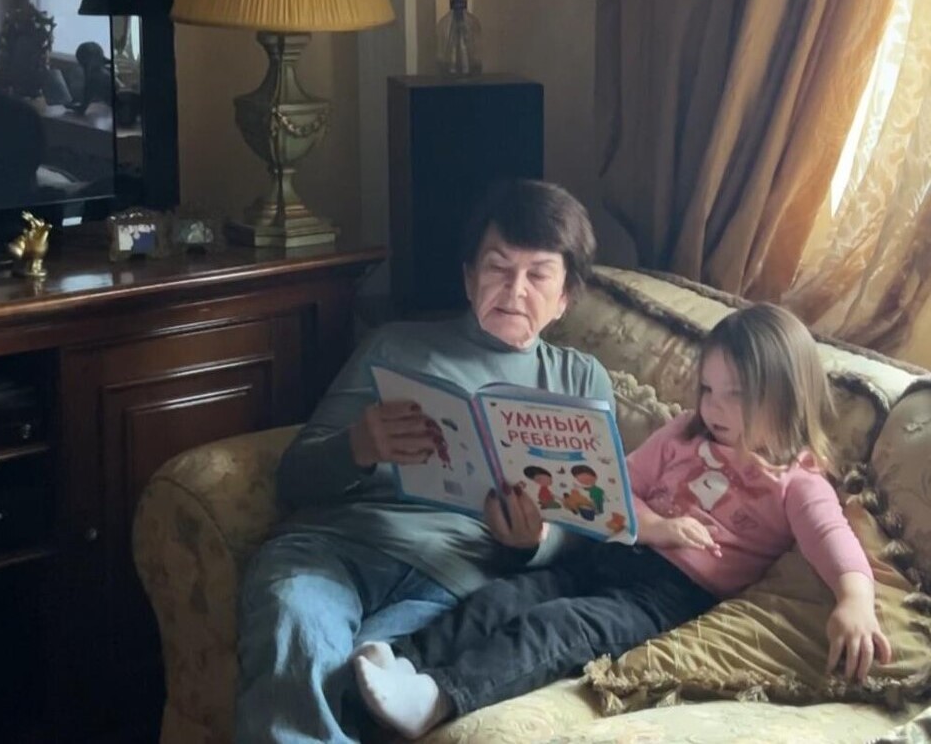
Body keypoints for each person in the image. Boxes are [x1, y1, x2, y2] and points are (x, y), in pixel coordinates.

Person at [351, 303, 892, 740]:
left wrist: (855, 601)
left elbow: (833, 539)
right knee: (501, 598)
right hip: (608, 552)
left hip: (664, 597)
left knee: (554, 626)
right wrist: (653, 524)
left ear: (787, 397)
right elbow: (614, 489)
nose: (715, 408)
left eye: (736, 395)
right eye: (708, 390)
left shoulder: (796, 483)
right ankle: (398, 661)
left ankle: (440, 697)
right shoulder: (684, 433)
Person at [235, 179, 615, 744]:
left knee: (358, 684)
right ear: (468, 277)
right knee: (297, 625)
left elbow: (598, 526)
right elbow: (295, 479)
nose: (514, 290)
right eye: (497, 267)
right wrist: (358, 446)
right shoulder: (394, 346)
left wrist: (536, 542)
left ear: (565, 298)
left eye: (538, 275)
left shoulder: (580, 381)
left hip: (452, 580)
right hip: (336, 549)